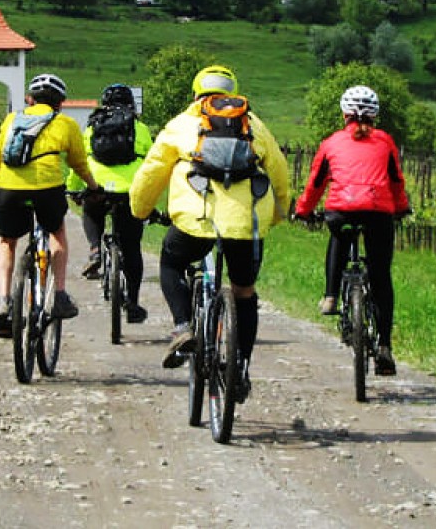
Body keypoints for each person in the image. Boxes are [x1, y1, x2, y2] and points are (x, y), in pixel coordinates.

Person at [129, 65, 292, 402]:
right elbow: (279, 173)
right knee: (244, 292)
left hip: (196, 220)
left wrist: (140, 210)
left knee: (172, 262)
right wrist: (277, 215)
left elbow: (150, 174)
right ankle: (240, 366)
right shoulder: (255, 125)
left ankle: (182, 326)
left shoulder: (181, 125)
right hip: (247, 223)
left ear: (196, 94)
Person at [293, 84, 411, 377]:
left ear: (344, 113)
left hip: (341, 210)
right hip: (378, 213)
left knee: (339, 236)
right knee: (381, 275)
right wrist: (402, 207)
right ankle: (384, 346)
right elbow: (396, 181)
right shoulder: (385, 142)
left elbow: (316, 182)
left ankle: (331, 295)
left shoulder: (331, 142)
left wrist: (303, 210)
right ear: (375, 114)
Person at [0, 73, 102, 339]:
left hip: (9, 187)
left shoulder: (11, 120)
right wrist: (93, 188)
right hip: (47, 189)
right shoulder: (65, 124)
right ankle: (60, 295)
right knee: (57, 233)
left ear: (30, 99)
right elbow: (79, 163)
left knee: (7, 241)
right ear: (60, 103)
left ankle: (4, 300)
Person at [68, 83, 155, 324]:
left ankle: (95, 249)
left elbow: (81, 160)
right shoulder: (141, 128)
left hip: (99, 186)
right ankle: (134, 304)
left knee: (91, 209)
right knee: (132, 248)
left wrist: (75, 188)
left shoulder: (94, 125)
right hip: (131, 191)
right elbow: (152, 163)